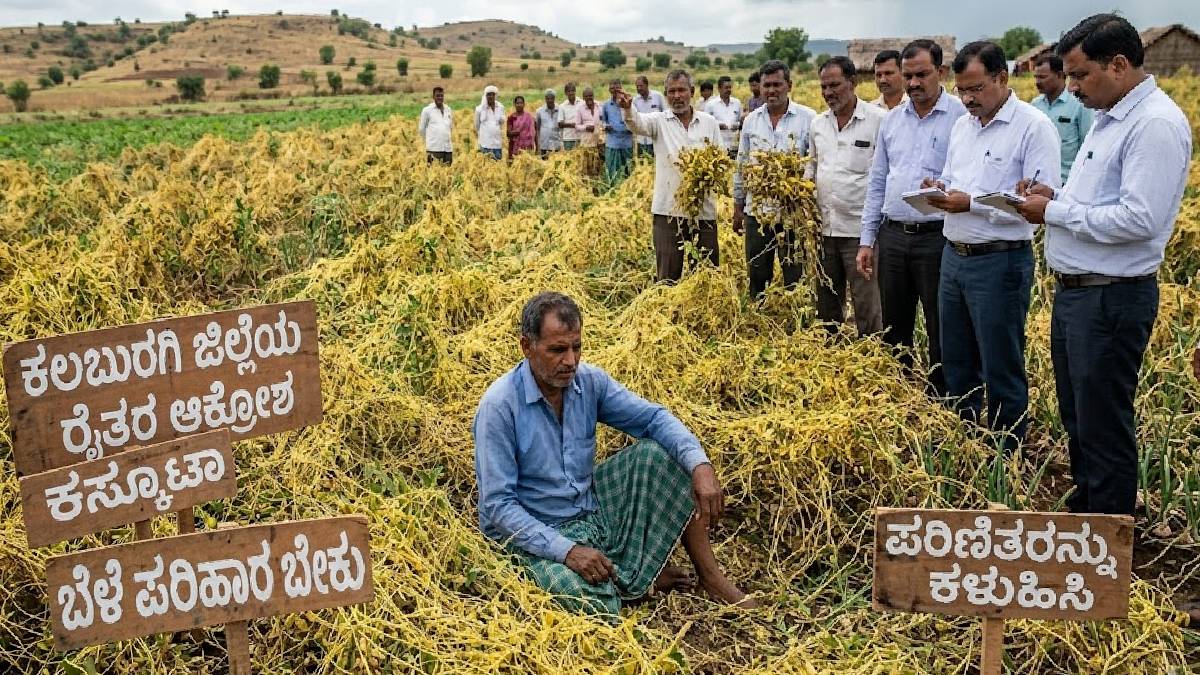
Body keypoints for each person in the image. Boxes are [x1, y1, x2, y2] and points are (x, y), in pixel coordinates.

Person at [474, 292, 758, 616]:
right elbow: (498, 506)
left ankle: (710, 577)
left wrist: (700, 465)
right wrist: (568, 552)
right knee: (585, 600)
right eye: (557, 350)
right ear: (527, 346)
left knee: (663, 456)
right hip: (536, 530)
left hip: (587, 510)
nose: (570, 361)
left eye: (576, 347)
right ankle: (635, 580)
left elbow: (653, 419)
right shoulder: (499, 407)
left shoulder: (588, 382)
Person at [1013, 14, 1191, 515]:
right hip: (1081, 294)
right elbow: (1101, 202)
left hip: (1111, 297)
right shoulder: (1111, 116)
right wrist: (1055, 196)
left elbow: (1139, 219)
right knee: (1080, 419)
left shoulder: (1153, 124)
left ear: (1117, 65)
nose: (1071, 87)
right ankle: (1086, 524)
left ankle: (1109, 538)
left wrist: (1053, 213)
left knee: (1103, 425)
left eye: (1079, 75)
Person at [923, 41, 1060, 452]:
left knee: (1000, 361)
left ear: (1002, 77)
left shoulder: (1033, 127)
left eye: (976, 88)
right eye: (962, 90)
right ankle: (963, 443)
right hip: (954, 256)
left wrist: (972, 204)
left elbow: (1037, 204)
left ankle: (1006, 452)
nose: (967, 99)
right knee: (956, 357)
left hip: (1000, 261)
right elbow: (955, 178)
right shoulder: (962, 127)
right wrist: (941, 188)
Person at [856, 39, 967, 396]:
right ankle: (899, 395)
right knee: (894, 324)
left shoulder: (961, 118)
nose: (914, 83)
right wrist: (867, 240)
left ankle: (941, 399)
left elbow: (969, 177)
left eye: (922, 75)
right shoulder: (891, 121)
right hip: (893, 236)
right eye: (909, 76)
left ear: (941, 72)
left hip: (938, 236)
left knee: (940, 322)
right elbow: (877, 182)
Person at [617, 70, 724, 282]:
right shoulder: (659, 121)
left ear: (691, 91)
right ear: (665, 94)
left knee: (706, 277)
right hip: (668, 211)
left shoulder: (709, 122)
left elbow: (720, 158)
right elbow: (637, 123)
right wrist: (628, 108)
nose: (677, 96)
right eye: (671, 91)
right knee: (667, 277)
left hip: (703, 211)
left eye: (681, 90)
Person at [806, 56, 884, 336]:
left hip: (859, 232)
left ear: (853, 83)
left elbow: (883, 177)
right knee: (827, 299)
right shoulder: (817, 124)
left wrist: (871, 236)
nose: (829, 92)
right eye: (824, 87)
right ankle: (831, 351)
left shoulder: (877, 121)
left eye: (835, 85)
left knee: (866, 301)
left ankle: (871, 350)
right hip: (823, 229)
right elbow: (812, 167)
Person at [733, 59, 816, 299]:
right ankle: (759, 316)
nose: (771, 90)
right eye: (766, 85)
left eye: (777, 84)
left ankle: (797, 316)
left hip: (793, 212)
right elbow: (742, 164)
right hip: (757, 212)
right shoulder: (751, 120)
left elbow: (814, 164)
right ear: (759, 87)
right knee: (758, 274)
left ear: (789, 85)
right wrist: (738, 205)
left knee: (796, 275)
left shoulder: (809, 118)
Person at [1031, 53, 1095, 184]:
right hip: (1039, 183)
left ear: (1060, 75)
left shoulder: (1080, 105)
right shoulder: (1034, 106)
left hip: (1068, 183)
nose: (1037, 82)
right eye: (1036, 77)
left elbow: (1088, 146)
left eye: (1042, 77)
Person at [600, 79, 635, 183]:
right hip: (612, 142)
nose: (615, 90)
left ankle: (627, 188)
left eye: (617, 87)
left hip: (626, 142)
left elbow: (635, 118)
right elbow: (603, 121)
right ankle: (613, 188)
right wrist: (606, 126)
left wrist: (632, 128)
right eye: (612, 88)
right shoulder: (606, 105)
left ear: (621, 89)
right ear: (609, 90)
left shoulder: (628, 103)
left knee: (628, 170)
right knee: (612, 170)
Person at [705, 75, 743, 157]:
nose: (728, 90)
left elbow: (741, 122)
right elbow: (705, 124)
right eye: (726, 88)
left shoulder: (737, 103)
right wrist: (717, 125)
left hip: (735, 147)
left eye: (730, 87)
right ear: (719, 89)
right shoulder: (710, 105)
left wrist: (737, 125)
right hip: (717, 147)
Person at [631, 75, 665, 158]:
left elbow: (666, 113)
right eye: (637, 86)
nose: (639, 88)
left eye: (641, 86)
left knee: (658, 161)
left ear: (647, 85)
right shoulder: (635, 100)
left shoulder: (658, 96)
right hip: (641, 140)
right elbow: (634, 118)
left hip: (657, 138)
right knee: (642, 163)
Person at [418, 86, 453, 165]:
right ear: (433, 97)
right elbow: (421, 129)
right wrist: (430, 141)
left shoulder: (448, 109)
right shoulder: (427, 110)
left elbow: (450, 127)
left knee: (448, 171)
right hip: (434, 149)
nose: (440, 98)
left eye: (441, 95)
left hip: (447, 149)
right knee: (434, 171)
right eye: (437, 96)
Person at [475, 85, 506, 160]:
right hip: (485, 144)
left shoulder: (500, 107)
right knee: (486, 164)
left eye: (493, 94)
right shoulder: (479, 109)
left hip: (497, 143)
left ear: (495, 96)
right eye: (489, 94)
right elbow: (477, 126)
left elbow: (502, 122)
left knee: (498, 164)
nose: (491, 96)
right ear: (485, 96)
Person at [535, 89, 564, 158]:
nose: (550, 100)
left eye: (552, 98)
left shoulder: (560, 109)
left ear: (554, 98)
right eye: (548, 98)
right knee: (544, 162)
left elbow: (562, 126)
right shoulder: (540, 111)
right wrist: (538, 145)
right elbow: (537, 129)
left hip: (556, 144)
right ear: (545, 99)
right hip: (544, 145)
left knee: (556, 162)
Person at [506, 95, 536, 160]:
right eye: (517, 103)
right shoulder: (511, 117)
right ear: (514, 104)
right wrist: (516, 132)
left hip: (527, 148)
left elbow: (534, 132)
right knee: (515, 165)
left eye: (521, 103)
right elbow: (508, 133)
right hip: (514, 147)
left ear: (524, 104)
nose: (519, 105)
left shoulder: (529, 117)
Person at [560, 82, 583, 150]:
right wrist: (572, 125)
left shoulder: (582, 103)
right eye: (568, 91)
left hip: (580, 137)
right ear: (565, 93)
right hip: (568, 138)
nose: (571, 93)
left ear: (575, 91)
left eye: (572, 91)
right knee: (568, 156)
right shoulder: (562, 106)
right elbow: (560, 124)